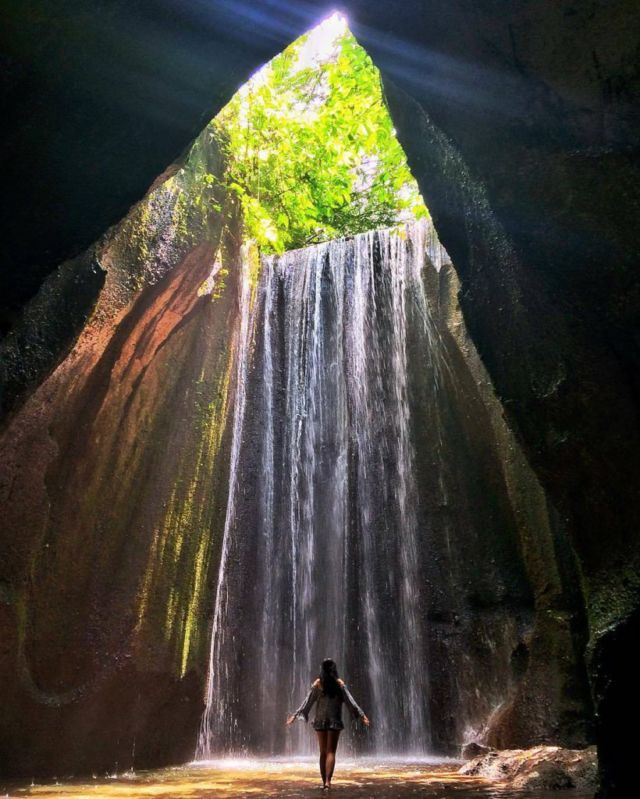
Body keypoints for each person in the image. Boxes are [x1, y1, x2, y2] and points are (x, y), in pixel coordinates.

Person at [286, 658, 370, 790]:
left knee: (323, 752)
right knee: (331, 752)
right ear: (334, 670)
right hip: (334, 720)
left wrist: (295, 715)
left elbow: (307, 701)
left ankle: (322, 781)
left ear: (322, 670)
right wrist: (361, 715)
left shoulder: (318, 684)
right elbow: (350, 700)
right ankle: (327, 782)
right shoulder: (339, 684)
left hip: (320, 720)